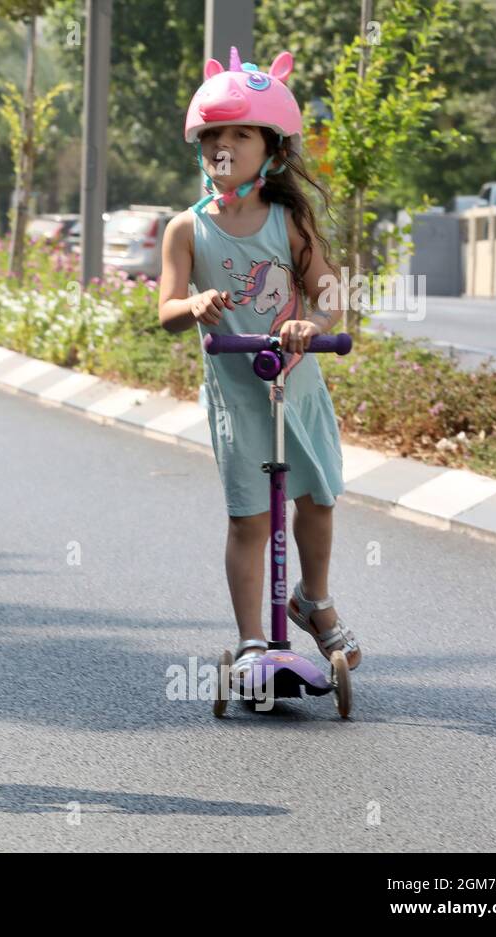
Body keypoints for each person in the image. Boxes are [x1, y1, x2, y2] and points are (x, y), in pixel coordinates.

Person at [157, 47, 361, 679]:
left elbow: (331, 297)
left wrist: (313, 323)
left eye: (240, 133)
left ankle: (313, 600)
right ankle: (251, 639)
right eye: (214, 134)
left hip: (296, 389)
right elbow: (165, 309)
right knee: (249, 517)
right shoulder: (185, 230)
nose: (224, 145)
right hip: (237, 396)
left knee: (318, 499)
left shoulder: (288, 218)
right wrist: (192, 304)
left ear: (270, 149)